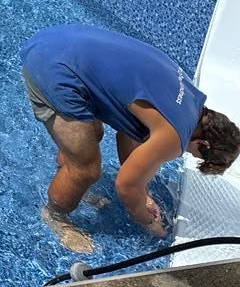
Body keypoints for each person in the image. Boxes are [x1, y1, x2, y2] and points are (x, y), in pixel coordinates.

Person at [22, 24, 239, 253]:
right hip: (52, 68)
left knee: (92, 135)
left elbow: (127, 133)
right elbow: (125, 185)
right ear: (203, 144)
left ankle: (71, 184)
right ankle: (55, 215)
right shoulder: (175, 134)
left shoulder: (190, 98)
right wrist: (146, 221)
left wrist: (142, 193)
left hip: (59, 40)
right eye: (195, 154)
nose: (186, 153)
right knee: (86, 169)